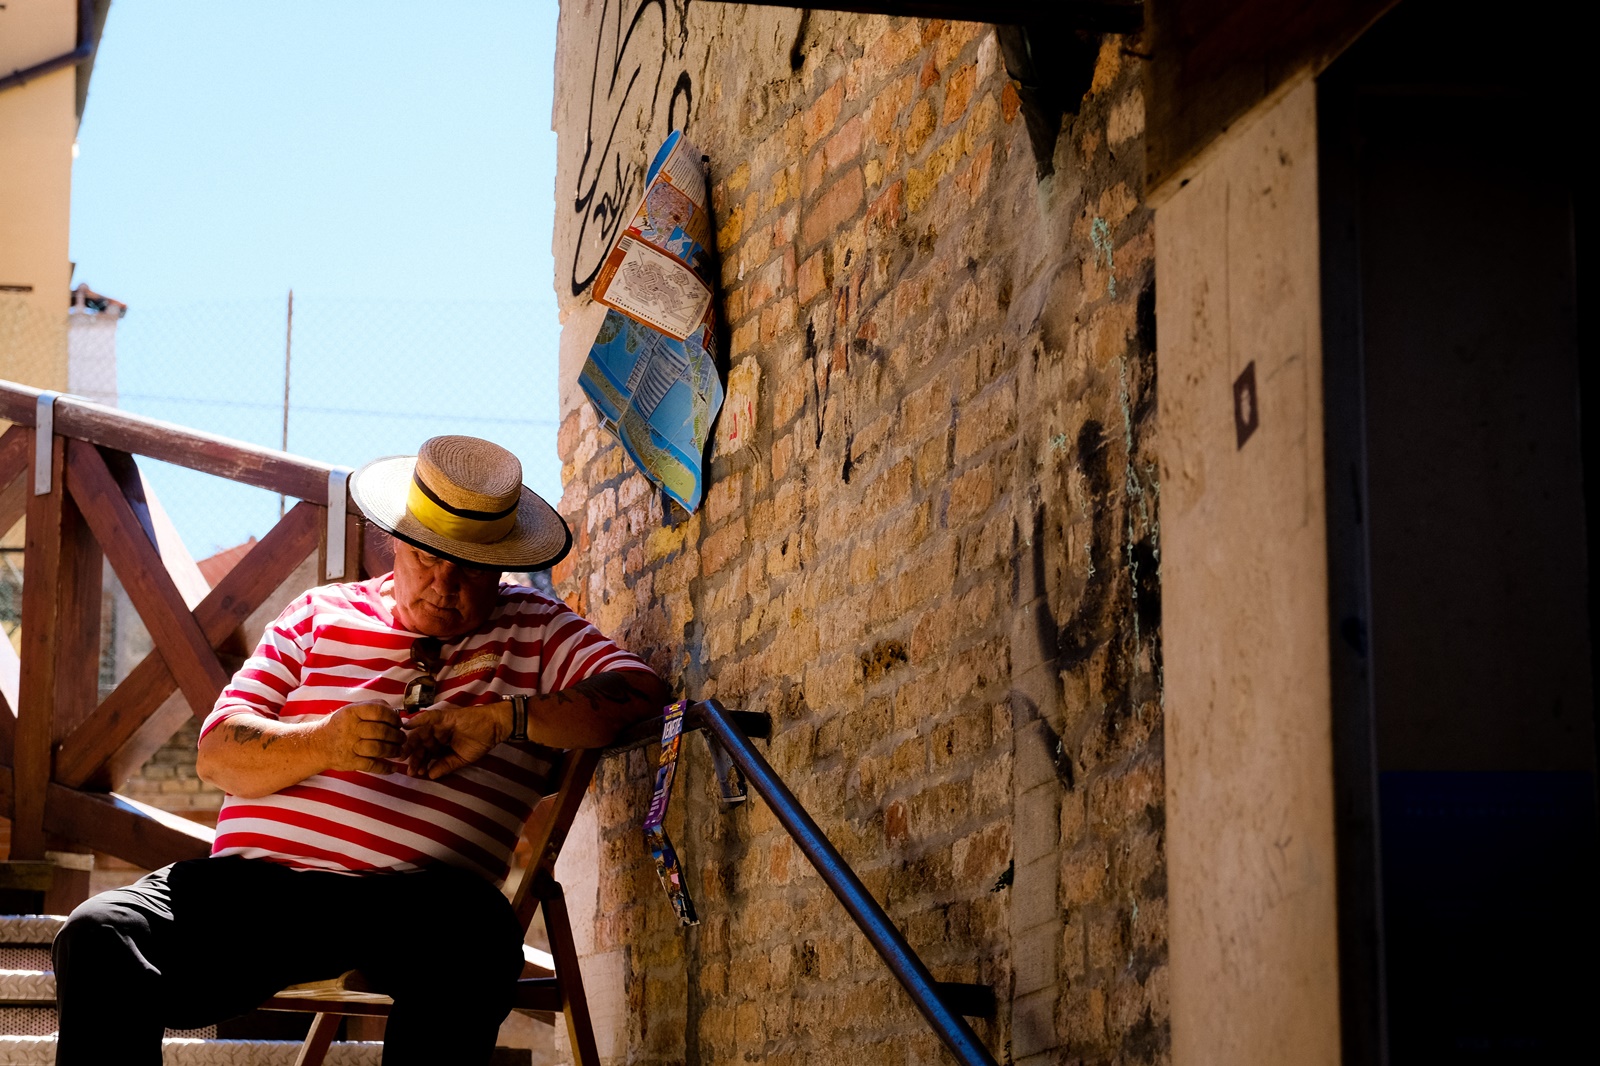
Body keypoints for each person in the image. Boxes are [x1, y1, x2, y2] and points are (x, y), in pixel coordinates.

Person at [52, 435, 669, 1065]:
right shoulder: (318, 613)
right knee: (100, 933)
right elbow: (217, 755)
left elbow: (642, 694)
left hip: (421, 906)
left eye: (471, 566)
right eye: (429, 556)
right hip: (259, 893)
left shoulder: (537, 627)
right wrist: (325, 741)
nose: (444, 583)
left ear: (502, 565)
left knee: (479, 935)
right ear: (397, 541)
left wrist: (498, 721)